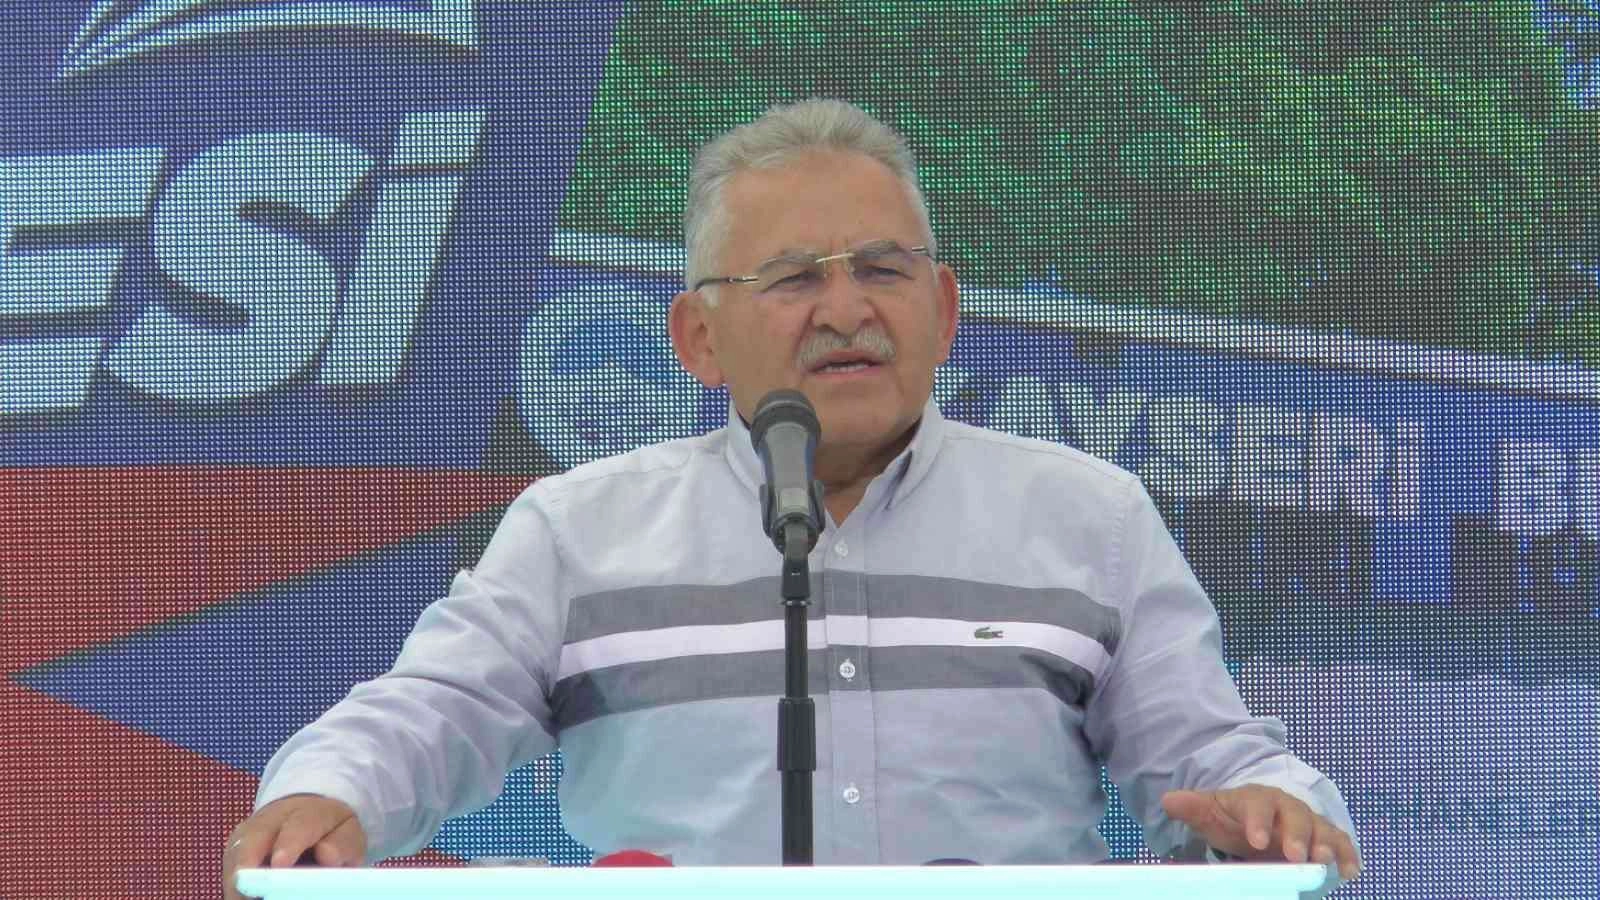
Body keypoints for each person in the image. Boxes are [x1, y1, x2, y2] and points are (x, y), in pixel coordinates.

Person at [224, 99, 1361, 897]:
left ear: (943, 311)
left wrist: (1267, 807)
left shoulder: (1089, 519)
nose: (847, 308)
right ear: (697, 338)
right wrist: (328, 795)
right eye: (793, 279)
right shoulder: (579, 532)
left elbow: (1211, 754)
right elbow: (427, 712)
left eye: (882, 270)